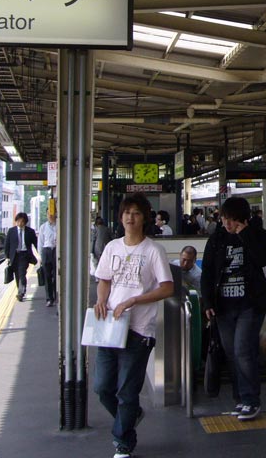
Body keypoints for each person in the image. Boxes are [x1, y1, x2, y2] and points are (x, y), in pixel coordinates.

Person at [93, 193, 174, 458]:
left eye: (136, 213)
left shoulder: (153, 251)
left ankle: (123, 442)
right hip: (110, 327)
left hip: (139, 331)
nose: (130, 217)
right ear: (121, 217)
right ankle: (131, 417)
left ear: (145, 218)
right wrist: (101, 300)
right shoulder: (112, 247)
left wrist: (135, 300)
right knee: (103, 387)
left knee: (127, 391)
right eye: (127, 212)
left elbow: (167, 288)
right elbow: (104, 278)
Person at [200, 196, 266, 421]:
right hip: (223, 307)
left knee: (243, 350)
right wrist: (208, 302)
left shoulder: (257, 235)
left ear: (243, 219)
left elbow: (264, 259)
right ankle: (241, 399)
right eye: (224, 219)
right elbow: (207, 272)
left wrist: (245, 234)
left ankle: (251, 400)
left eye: (232, 220)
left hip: (250, 305)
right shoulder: (216, 239)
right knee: (232, 352)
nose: (227, 224)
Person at [5, 212, 38, 302]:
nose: (20, 223)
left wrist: (40, 254)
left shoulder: (30, 231)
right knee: (17, 275)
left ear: (25, 222)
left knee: (22, 273)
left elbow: (36, 244)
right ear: (16, 221)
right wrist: (7, 257)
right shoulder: (11, 231)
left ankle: (21, 293)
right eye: (18, 221)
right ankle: (20, 290)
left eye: (22, 221)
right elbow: (7, 245)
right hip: (14, 256)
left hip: (25, 255)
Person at [37, 211, 58, 307]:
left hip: (56, 251)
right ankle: (49, 298)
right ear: (46, 215)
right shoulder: (43, 227)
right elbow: (40, 242)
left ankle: (57, 296)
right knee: (47, 276)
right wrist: (41, 256)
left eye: (52, 214)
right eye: (49, 214)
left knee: (57, 275)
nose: (50, 215)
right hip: (46, 251)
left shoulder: (59, 225)